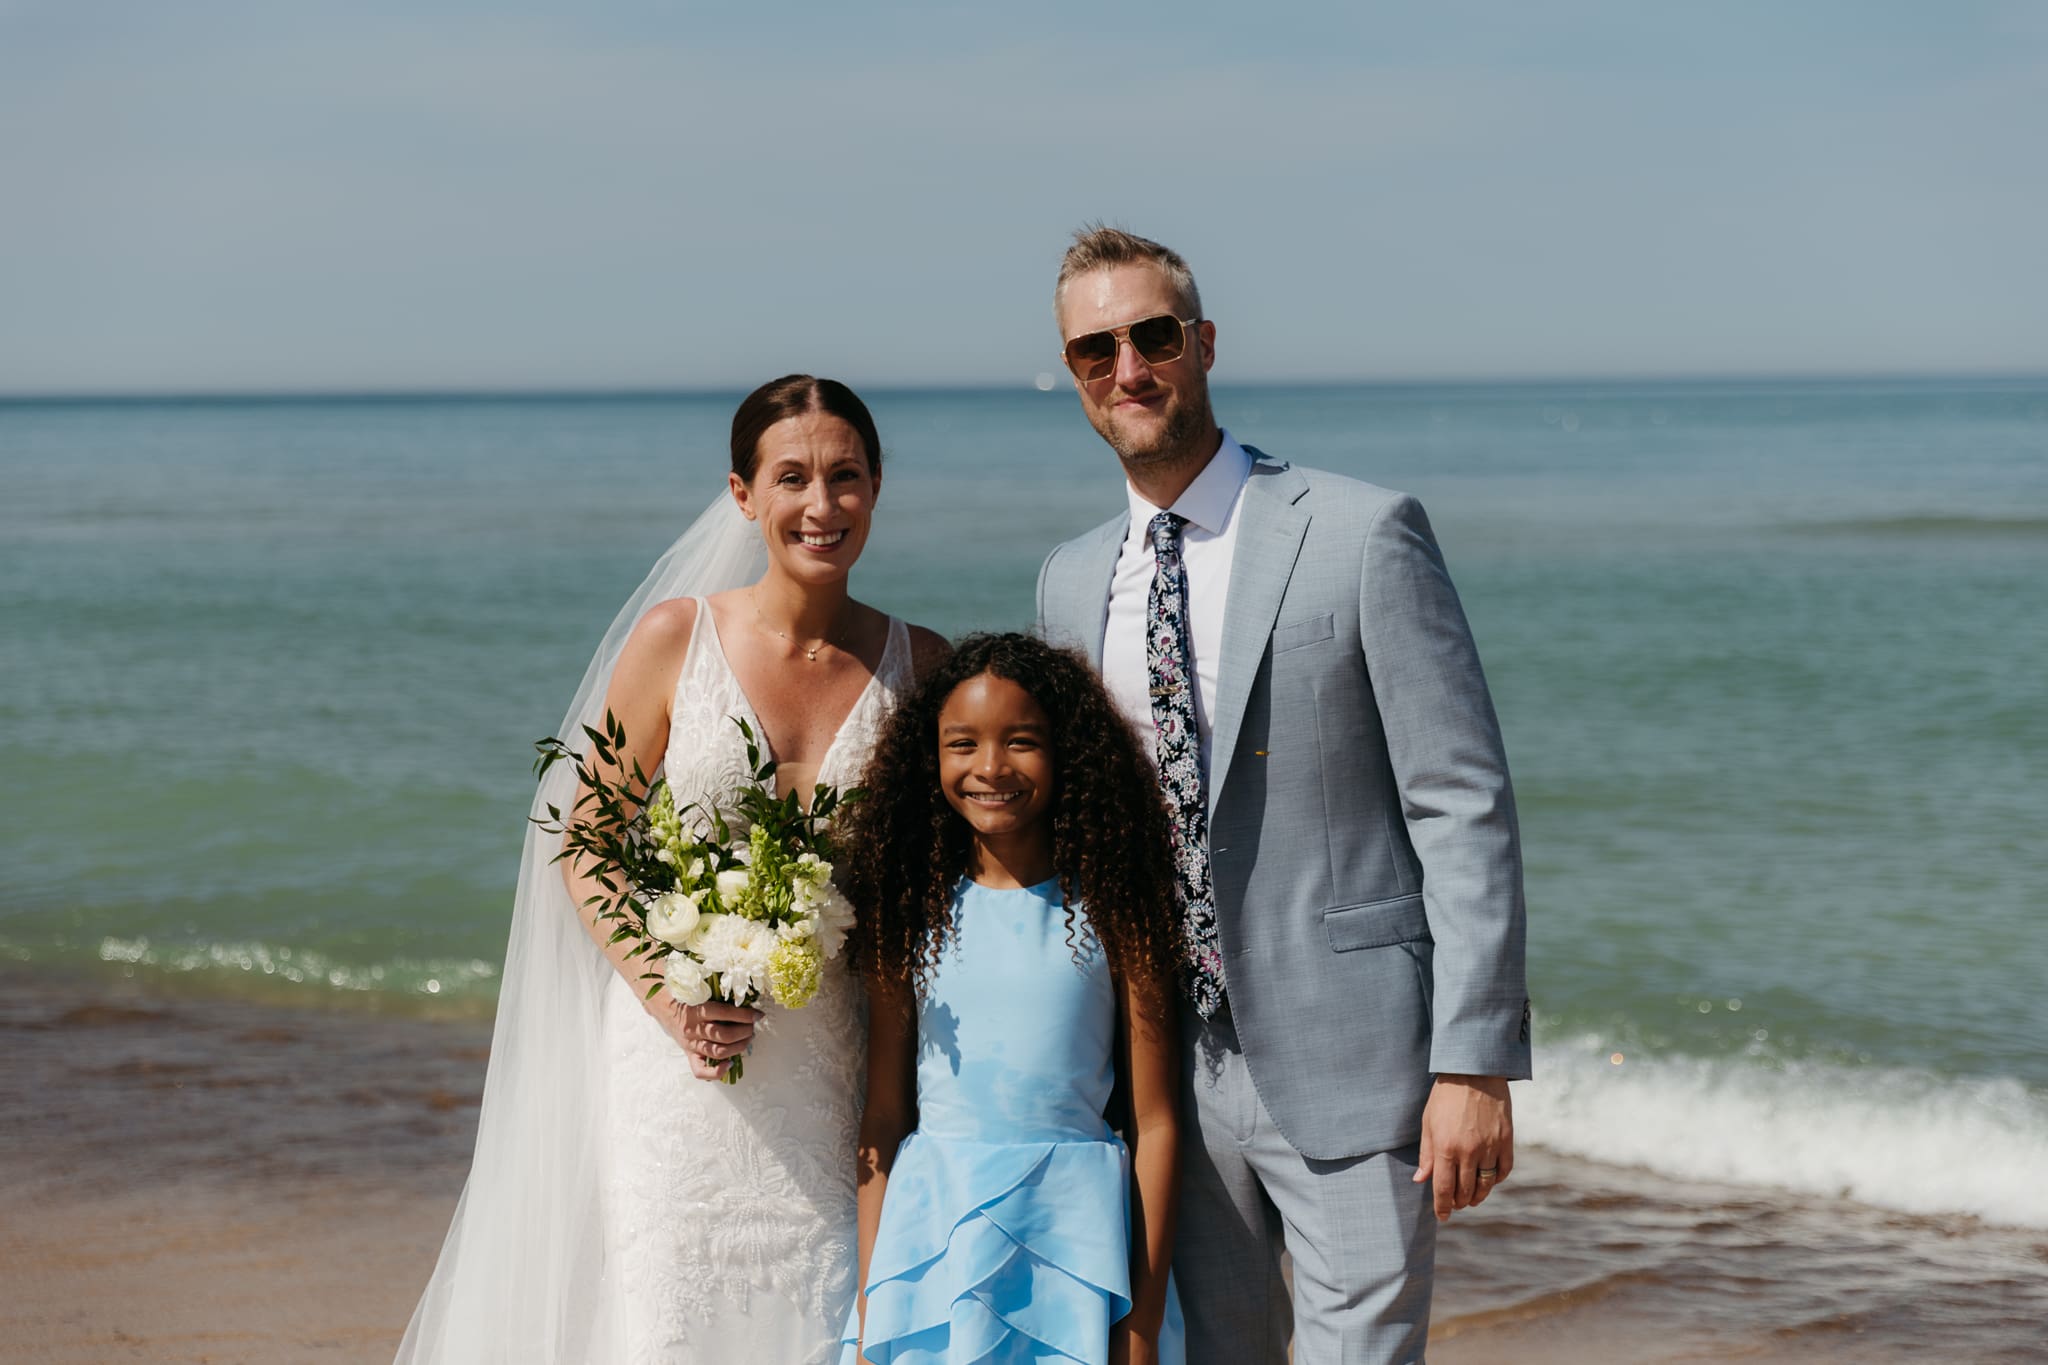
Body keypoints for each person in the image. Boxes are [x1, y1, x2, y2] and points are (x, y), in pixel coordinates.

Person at [1036, 227, 1532, 1363]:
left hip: (1354, 1058)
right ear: (1071, 377)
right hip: (1161, 1071)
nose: (1127, 369)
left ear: (1201, 344)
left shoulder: (1360, 531)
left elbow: (1460, 803)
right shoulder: (1068, 582)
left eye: (1151, 336)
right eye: (1093, 349)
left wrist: (1473, 1061)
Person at [397, 375, 948, 1364]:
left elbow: (928, 884)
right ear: (742, 495)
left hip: (829, 1078)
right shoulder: (674, 641)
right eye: (791, 478)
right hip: (676, 1079)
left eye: (845, 477)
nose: (819, 505)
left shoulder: (922, 667)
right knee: (666, 1330)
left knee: (824, 1325)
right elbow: (588, 835)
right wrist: (669, 995)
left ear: (874, 489)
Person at [834, 633, 1188, 1365]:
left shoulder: (1118, 908)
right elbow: (887, 1115)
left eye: (1022, 741)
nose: (990, 767)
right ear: (930, 757)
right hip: (933, 1252)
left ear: (1069, 754)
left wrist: (1144, 1322)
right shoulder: (908, 915)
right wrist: (875, 1306)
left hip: (1077, 1256)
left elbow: (1155, 1125)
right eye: (962, 743)